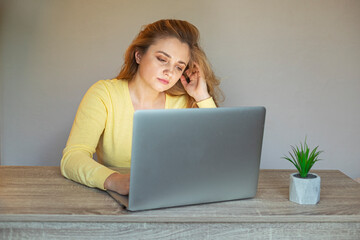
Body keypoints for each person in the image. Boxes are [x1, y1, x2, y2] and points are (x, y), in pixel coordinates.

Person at [60, 19, 222, 196]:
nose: (169, 72)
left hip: (176, 197)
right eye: (162, 59)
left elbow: (219, 157)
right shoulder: (104, 94)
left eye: (179, 67)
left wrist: (202, 97)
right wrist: (114, 180)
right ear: (138, 56)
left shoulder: (184, 102)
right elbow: (72, 157)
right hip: (120, 198)